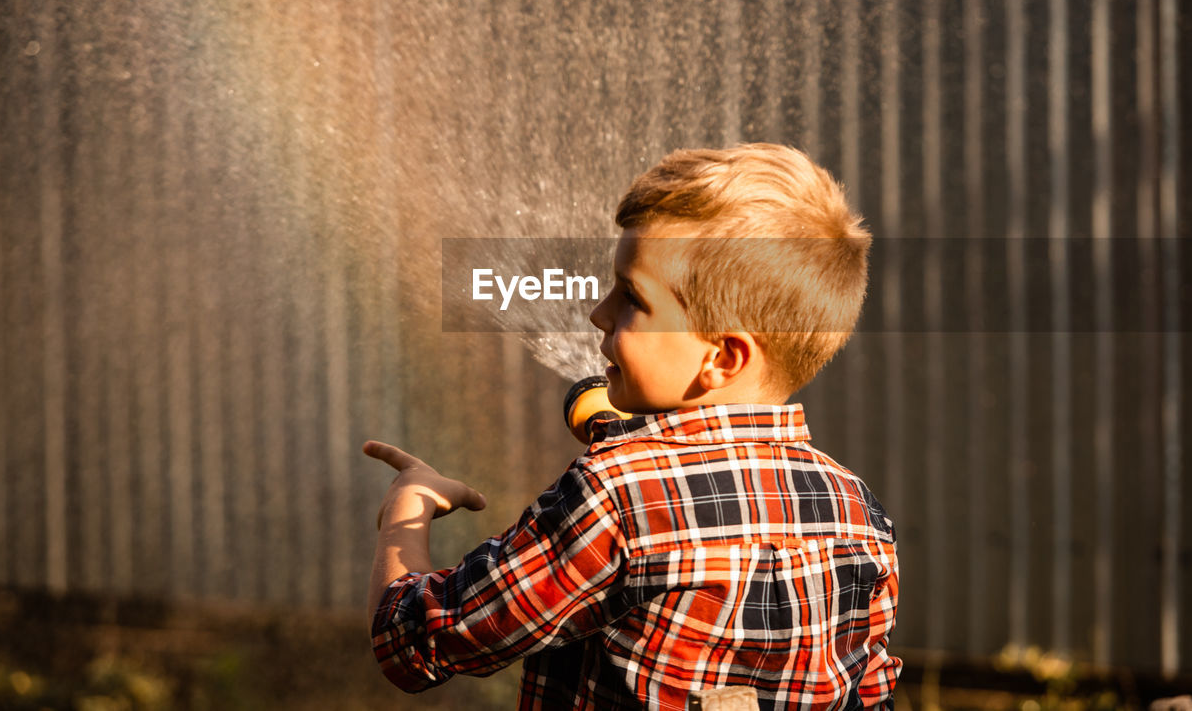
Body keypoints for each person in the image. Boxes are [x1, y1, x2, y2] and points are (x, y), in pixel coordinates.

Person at [365, 143, 901, 709]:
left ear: (723, 357)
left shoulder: (614, 496)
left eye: (631, 298)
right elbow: (870, 694)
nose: (598, 314)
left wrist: (408, 507)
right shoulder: (857, 512)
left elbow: (416, 644)